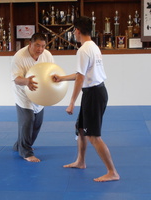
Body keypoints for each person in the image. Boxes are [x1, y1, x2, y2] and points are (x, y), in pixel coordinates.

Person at [52, 16, 120, 182]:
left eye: (74, 30)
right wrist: (61, 78)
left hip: (94, 94)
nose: (74, 33)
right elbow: (81, 74)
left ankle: (112, 172)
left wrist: (71, 102)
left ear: (77, 30)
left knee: (94, 136)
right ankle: (80, 161)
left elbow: (81, 78)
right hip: (95, 92)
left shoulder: (83, 50)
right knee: (81, 129)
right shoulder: (93, 47)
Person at [11, 33, 54, 162]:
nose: (40, 49)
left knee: (37, 123)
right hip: (23, 92)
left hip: (39, 93)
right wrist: (27, 81)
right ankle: (26, 152)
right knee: (27, 120)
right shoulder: (19, 57)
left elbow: (52, 72)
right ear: (30, 44)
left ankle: (19, 145)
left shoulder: (47, 55)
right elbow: (16, 79)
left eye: (43, 46)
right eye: (37, 45)